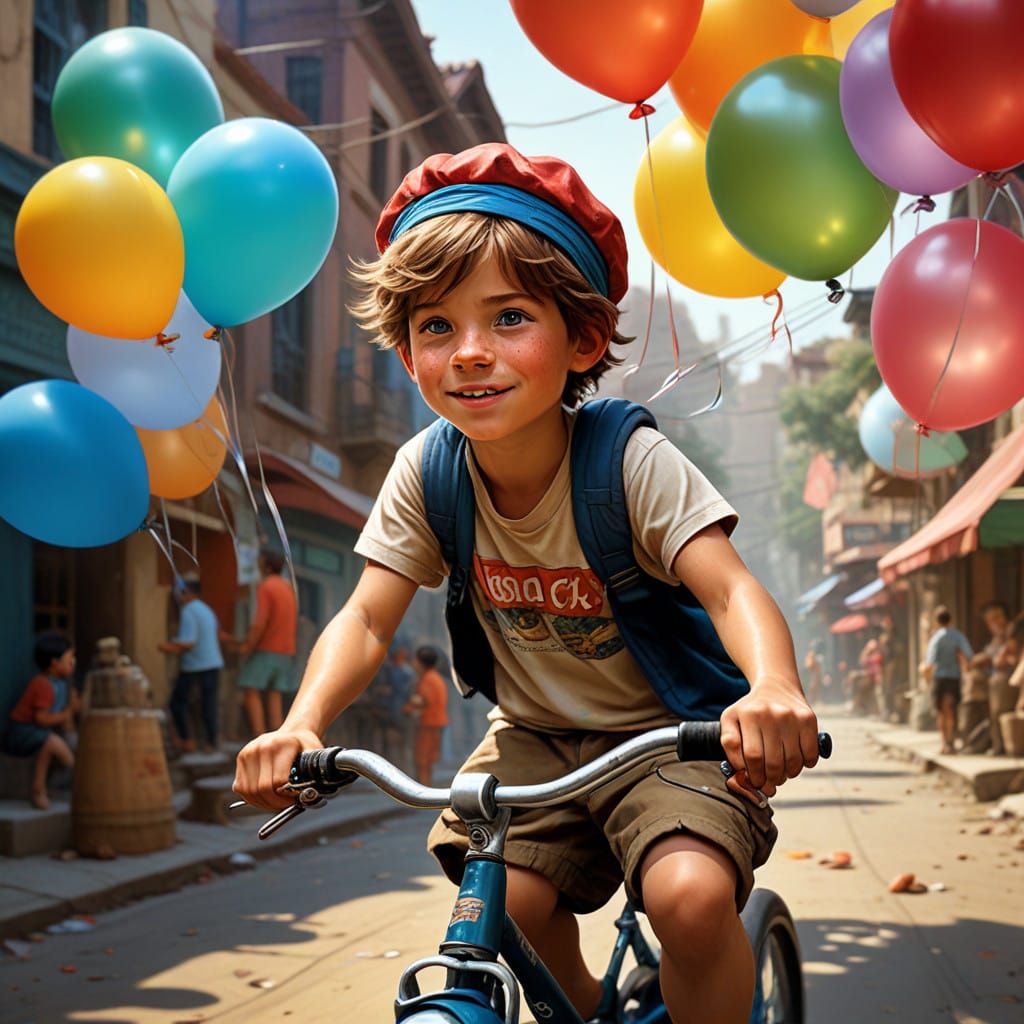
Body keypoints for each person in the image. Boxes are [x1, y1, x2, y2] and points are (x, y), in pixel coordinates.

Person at [234, 142, 819, 1024]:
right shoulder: (427, 472)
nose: (470, 352)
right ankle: (587, 1010)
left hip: (668, 736)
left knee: (692, 900)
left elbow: (732, 590)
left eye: (508, 318)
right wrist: (301, 724)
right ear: (408, 353)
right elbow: (362, 617)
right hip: (534, 740)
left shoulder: (628, 462)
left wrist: (773, 687)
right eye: (437, 326)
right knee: (498, 917)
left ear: (582, 338)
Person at [1, 632, 77, 809]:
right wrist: (65, 715)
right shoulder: (42, 684)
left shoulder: (62, 685)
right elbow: (41, 718)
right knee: (52, 742)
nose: (73, 663)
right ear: (54, 663)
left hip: (39, 734)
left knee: (46, 747)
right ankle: (76, 773)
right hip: (20, 732)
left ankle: (38, 790)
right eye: (69, 659)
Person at [159, 575, 224, 754]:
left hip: (196, 666)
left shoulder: (188, 611)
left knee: (177, 703)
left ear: (186, 592)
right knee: (207, 704)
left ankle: (187, 740)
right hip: (212, 663)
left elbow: (188, 642)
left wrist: (165, 647)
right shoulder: (206, 609)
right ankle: (211, 742)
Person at [236, 549, 298, 736]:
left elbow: (260, 622)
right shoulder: (288, 588)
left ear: (267, 565)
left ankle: (259, 736)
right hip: (286, 651)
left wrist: (247, 645)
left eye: (260, 561)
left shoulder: (266, 587)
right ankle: (277, 735)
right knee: (274, 694)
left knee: (250, 690)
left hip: (267, 649)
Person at [922, 606, 973, 754]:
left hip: (940, 678)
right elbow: (969, 654)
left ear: (936, 621)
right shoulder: (957, 636)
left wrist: (926, 678)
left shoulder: (936, 638)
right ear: (950, 620)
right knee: (950, 709)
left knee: (941, 712)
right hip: (954, 677)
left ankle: (944, 743)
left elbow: (929, 662)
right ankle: (950, 741)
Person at [404, 645, 449, 785]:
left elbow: (424, 701)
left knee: (422, 759)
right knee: (428, 759)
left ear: (420, 662)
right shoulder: (435, 677)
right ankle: (426, 786)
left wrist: (408, 708)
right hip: (435, 722)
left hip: (429, 723)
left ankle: (423, 789)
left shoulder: (428, 679)